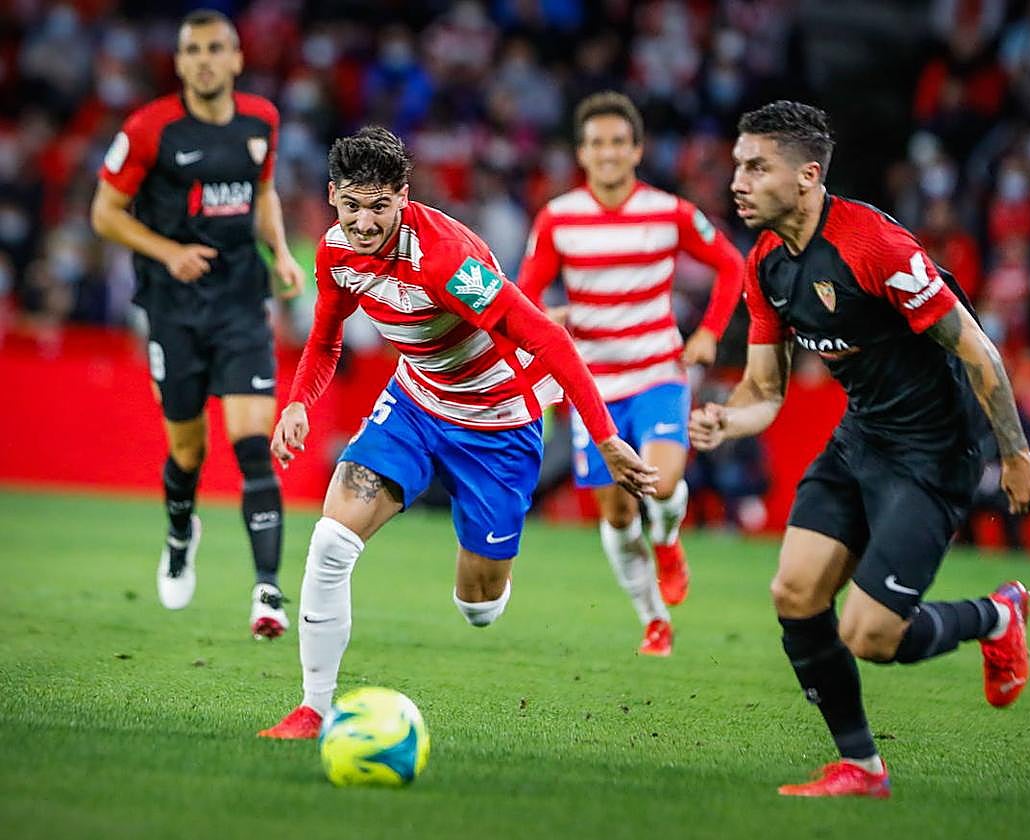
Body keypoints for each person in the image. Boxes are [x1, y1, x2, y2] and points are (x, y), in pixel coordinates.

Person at [689, 101, 1030, 797]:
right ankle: (862, 767)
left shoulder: (875, 247)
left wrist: (1014, 452)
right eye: (736, 164)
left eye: (756, 166)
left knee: (872, 636)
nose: (737, 180)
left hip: (932, 455)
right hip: (861, 439)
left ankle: (997, 614)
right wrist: (727, 422)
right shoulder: (765, 265)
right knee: (794, 592)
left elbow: (977, 348)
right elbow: (765, 388)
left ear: (807, 177)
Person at [257, 126, 656, 739]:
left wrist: (603, 436)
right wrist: (297, 403)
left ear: (403, 196)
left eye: (379, 206)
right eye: (352, 205)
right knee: (331, 543)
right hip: (415, 403)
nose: (364, 222)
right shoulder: (336, 252)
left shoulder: (445, 259)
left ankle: (487, 554)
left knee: (479, 607)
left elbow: (547, 337)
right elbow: (326, 338)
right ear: (334, 197)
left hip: (498, 425)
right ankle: (314, 708)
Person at [90, 9, 305, 638]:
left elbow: (262, 193)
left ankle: (268, 593)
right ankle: (181, 530)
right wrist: (167, 252)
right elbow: (104, 212)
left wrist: (282, 253)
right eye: (193, 50)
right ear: (179, 62)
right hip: (173, 308)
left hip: (241, 301)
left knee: (250, 447)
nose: (205, 59)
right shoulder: (150, 129)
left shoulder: (261, 120)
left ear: (237, 58)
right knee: (188, 450)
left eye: (216, 49)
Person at [517, 92, 744, 656]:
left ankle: (667, 541)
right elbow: (523, 297)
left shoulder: (669, 212)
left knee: (661, 483)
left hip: (658, 373)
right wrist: (550, 317)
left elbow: (730, 264)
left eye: (619, 141)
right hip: (591, 385)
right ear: (582, 153)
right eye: (597, 143)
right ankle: (653, 619)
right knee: (617, 513)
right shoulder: (558, 219)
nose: (608, 153)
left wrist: (711, 331)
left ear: (637, 149)